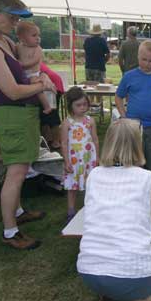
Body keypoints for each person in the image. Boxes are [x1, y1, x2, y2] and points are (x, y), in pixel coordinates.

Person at [0, 0, 55, 250]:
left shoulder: (5, 42)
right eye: (12, 17)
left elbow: (22, 74)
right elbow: (11, 90)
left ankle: (18, 211)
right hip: (11, 114)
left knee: (21, 167)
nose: (16, 23)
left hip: (21, 113)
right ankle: (10, 232)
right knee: (16, 172)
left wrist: (36, 79)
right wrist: (41, 86)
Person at [77, 119, 151, 301]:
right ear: (137, 143)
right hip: (131, 274)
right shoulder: (148, 177)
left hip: (89, 271)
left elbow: (121, 212)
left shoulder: (94, 175)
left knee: (114, 277)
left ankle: (108, 295)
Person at [115, 41, 151, 176]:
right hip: (134, 127)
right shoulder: (129, 76)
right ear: (138, 57)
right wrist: (124, 116)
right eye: (144, 60)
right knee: (134, 162)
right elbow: (118, 97)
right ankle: (135, 190)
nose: (147, 63)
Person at [60, 87, 98, 223]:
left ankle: (91, 208)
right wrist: (66, 161)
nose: (82, 107)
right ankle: (71, 210)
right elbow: (64, 143)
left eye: (85, 104)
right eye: (78, 105)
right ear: (70, 105)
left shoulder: (90, 121)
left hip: (89, 159)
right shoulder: (67, 123)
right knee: (72, 185)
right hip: (74, 159)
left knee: (91, 184)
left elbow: (95, 139)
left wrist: (97, 157)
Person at [16, 21, 53, 114]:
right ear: (22, 38)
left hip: (33, 73)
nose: (38, 38)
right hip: (23, 74)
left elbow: (33, 62)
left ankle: (47, 106)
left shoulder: (37, 49)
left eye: (38, 35)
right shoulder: (19, 47)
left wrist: (20, 64)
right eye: (34, 35)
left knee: (38, 91)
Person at [39, 62, 65, 149]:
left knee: (52, 115)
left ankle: (56, 141)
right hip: (49, 86)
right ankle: (48, 139)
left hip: (51, 87)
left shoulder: (28, 59)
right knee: (45, 115)